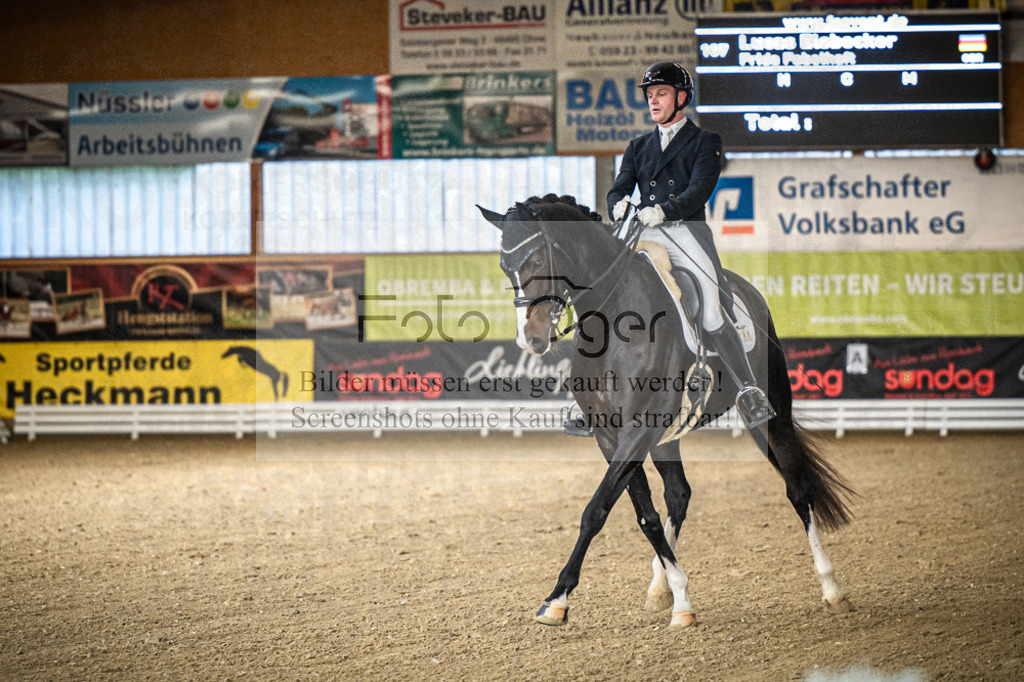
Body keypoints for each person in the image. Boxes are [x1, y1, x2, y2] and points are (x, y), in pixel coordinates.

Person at [607, 61, 775, 428]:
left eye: (661, 93)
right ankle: (593, 394)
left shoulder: (704, 142)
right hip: (643, 232)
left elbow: (700, 190)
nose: (653, 101)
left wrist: (665, 210)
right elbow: (620, 185)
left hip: (684, 232)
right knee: (604, 289)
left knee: (710, 305)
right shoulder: (638, 146)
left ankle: (748, 389)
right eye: (650, 95)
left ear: (681, 97)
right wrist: (617, 202)